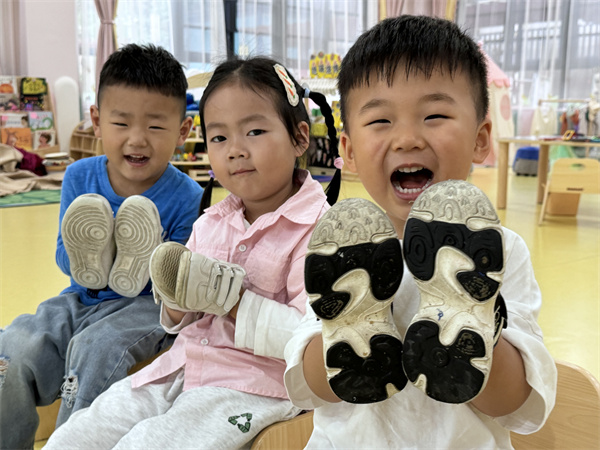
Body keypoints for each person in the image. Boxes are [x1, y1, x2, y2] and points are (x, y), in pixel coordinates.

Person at [284, 15, 557, 449]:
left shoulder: (500, 251)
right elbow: (312, 384)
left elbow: (514, 400)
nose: (407, 139)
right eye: (380, 121)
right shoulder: (339, 252)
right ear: (349, 151)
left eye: (434, 115)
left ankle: (467, 322)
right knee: (333, 341)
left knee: (481, 339)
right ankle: (356, 332)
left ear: (480, 139)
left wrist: (473, 328)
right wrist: (348, 326)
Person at [45, 56, 341, 449]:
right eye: (219, 138)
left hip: (252, 386)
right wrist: (176, 300)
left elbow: (314, 339)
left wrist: (232, 301)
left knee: (146, 444)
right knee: (78, 434)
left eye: (254, 131)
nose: (235, 150)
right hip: (181, 368)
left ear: (300, 138)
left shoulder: (320, 231)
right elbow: (178, 323)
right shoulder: (211, 221)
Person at [0, 43, 203, 449]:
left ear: (183, 131)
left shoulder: (189, 196)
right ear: (96, 121)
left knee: (96, 348)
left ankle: (72, 443)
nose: (137, 140)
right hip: (80, 296)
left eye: (156, 127)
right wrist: (88, 262)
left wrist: (153, 263)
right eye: (121, 123)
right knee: (14, 345)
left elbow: (177, 283)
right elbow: (64, 254)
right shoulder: (79, 177)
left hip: (146, 307)